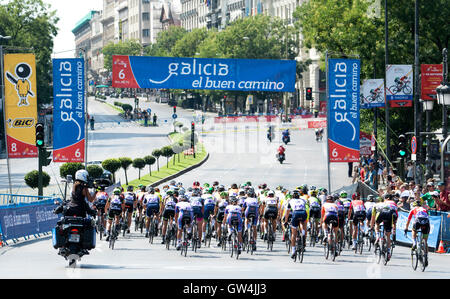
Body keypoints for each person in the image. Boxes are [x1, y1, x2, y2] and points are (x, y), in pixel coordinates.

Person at [404, 200, 430, 266]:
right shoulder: (424, 209)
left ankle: (414, 242)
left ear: (414, 205)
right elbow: (428, 217)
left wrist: (406, 228)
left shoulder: (413, 209)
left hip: (418, 220)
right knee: (425, 241)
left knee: (414, 230)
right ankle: (426, 256)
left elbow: (408, 220)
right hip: (426, 222)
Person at [284, 190, 309, 259]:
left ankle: (293, 251)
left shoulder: (290, 201)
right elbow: (307, 207)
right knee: (303, 223)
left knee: (294, 234)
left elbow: (287, 212)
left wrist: (286, 221)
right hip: (303, 212)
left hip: (295, 213)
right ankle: (303, 234)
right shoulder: (303, 200)